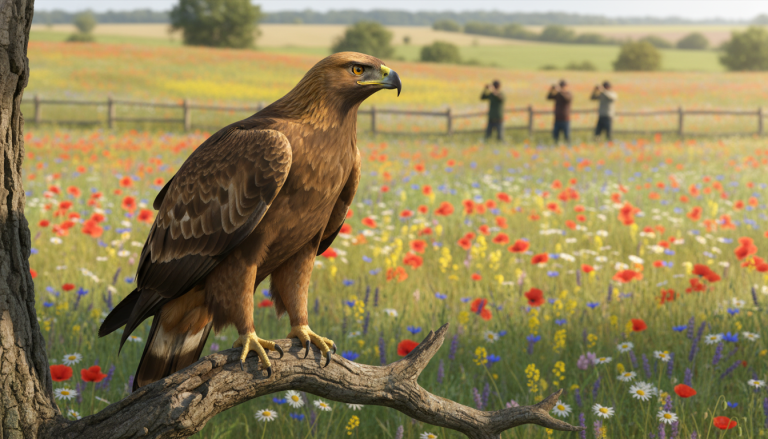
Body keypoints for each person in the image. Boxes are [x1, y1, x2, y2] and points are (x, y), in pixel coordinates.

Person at [546, 80, 573, 145]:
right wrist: (551, 90)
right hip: (557, 119)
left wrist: (560, 91)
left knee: (567, 136)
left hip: (565, 119)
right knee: (555, 136)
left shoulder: (568, 94)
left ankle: (568, 146)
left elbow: (566, 99)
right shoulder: (558, 95)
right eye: (561, 86)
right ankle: (556, 146)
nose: (562, 87)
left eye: (562, 86)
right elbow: (549, 97)